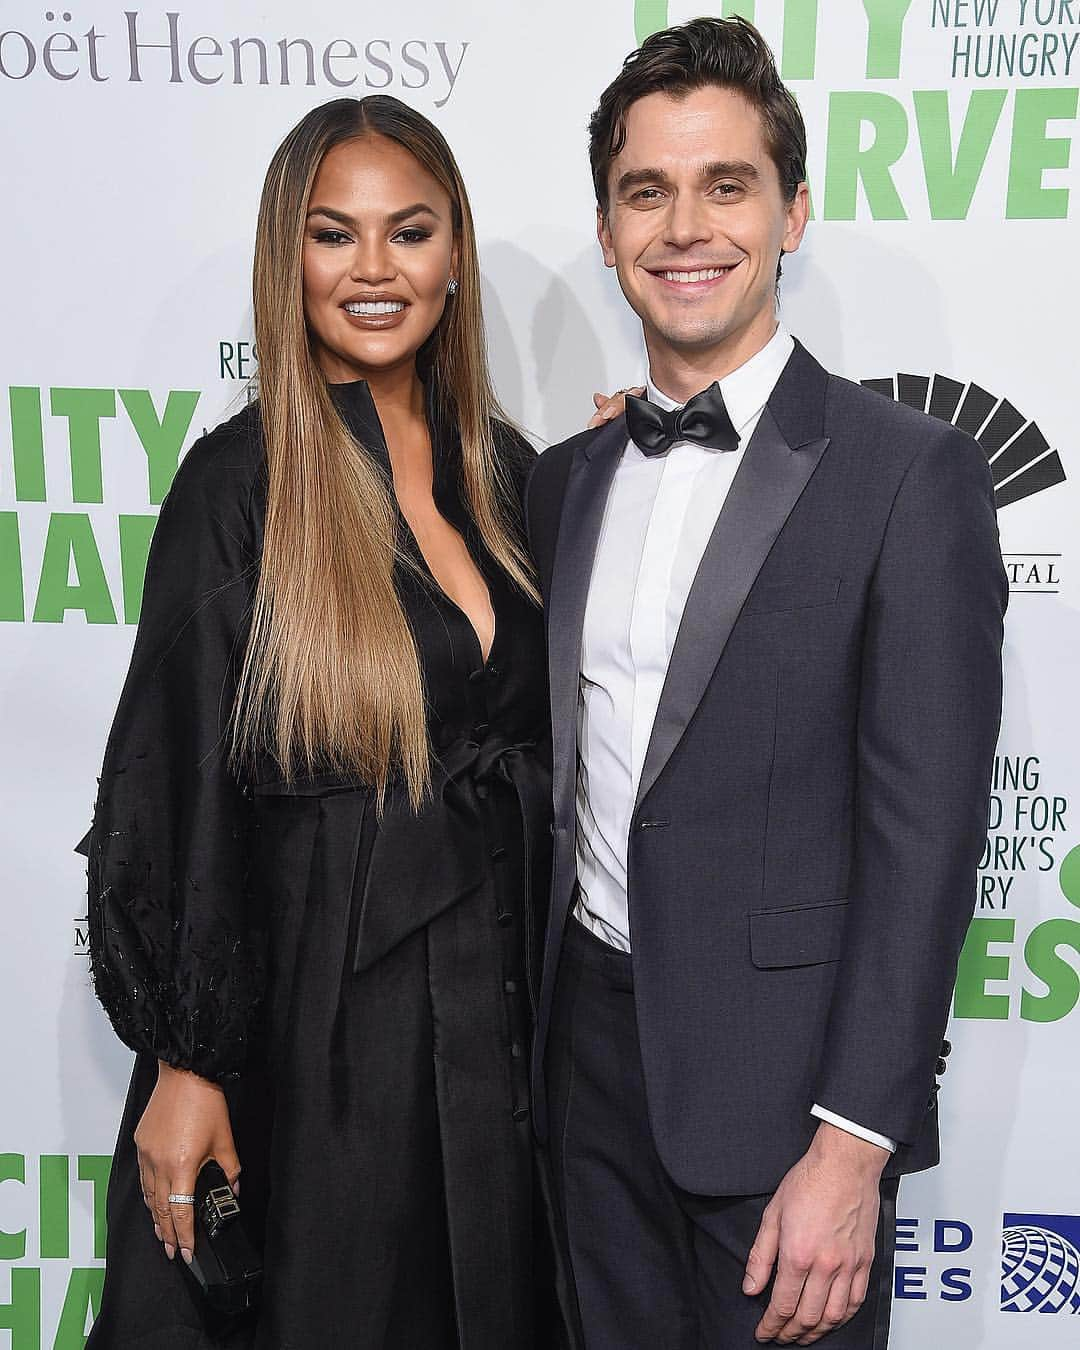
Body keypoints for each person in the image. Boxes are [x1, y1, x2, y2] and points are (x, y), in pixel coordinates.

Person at [525, 17, 1007, 1349]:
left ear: (791, 213)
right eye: (647, 190)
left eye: (726, 185)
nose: (687, 226)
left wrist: (856, 1147)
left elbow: (927, 841)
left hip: (790, 1109)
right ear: (611, 223)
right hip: (583, 1083)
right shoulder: (566, 479)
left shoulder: (911, 476)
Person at [83, 95, 562, 1348]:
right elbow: (171, 783)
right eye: (332, 234)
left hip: (495, 1020)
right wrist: (189, 1060)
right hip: (317, 1035)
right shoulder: (237, 487)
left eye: (409, 232)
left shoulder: (514, 477)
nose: (373, 270)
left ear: (453, 253)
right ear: (284, 258)